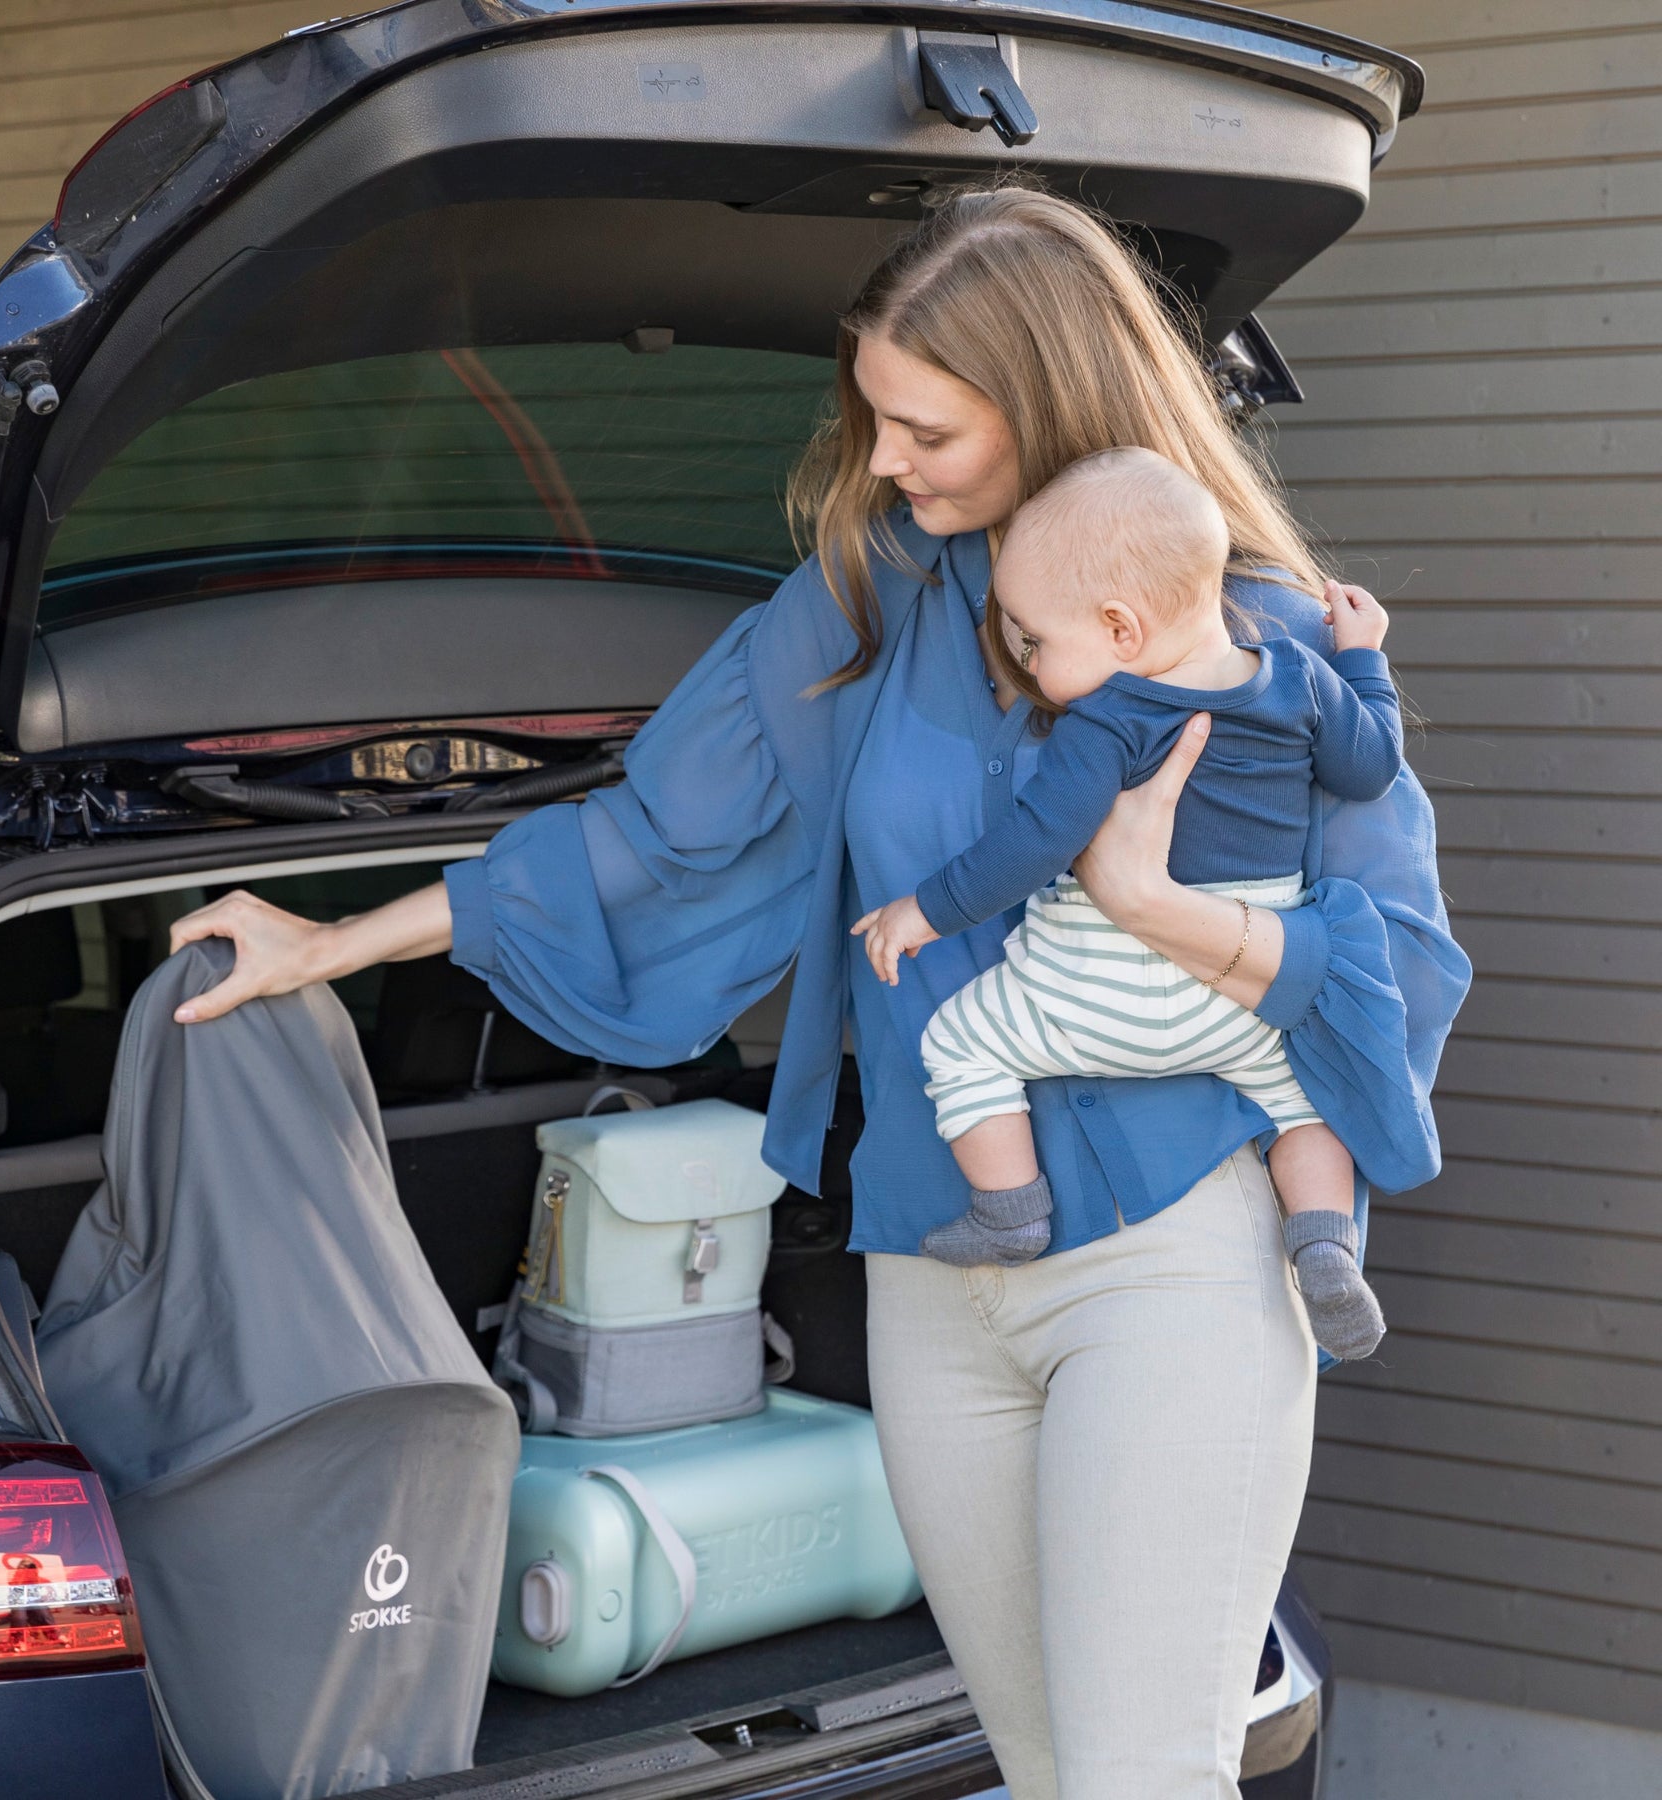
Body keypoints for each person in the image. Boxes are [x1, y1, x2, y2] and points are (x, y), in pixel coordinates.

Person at [167, 187, 1470, 1800]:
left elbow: (1395, 967)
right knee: (1053, 1772)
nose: (881, 465)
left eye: (922, 426)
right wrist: (330, 941)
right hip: (937, 1266)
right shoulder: (868, 604)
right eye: (871, 421)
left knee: (1143, 1779)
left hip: (1170, 1266)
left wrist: (1153, 908)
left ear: (1049, 399)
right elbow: (651, 842)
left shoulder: (1252, 651)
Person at [852, 447, 1400, 1363]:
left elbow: (1032, 845)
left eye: (1035, 640)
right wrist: (1364, 661)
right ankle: (1323, 1246)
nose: (1026, 660)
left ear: (1119, 628)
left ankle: (1010, 1212)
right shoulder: (1302, 681)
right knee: (1306, 1108)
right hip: (1237, 998)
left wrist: (925, 910)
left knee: (960, 1044)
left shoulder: (1107, 720)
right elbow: (1372, 766)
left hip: (1091, 989)